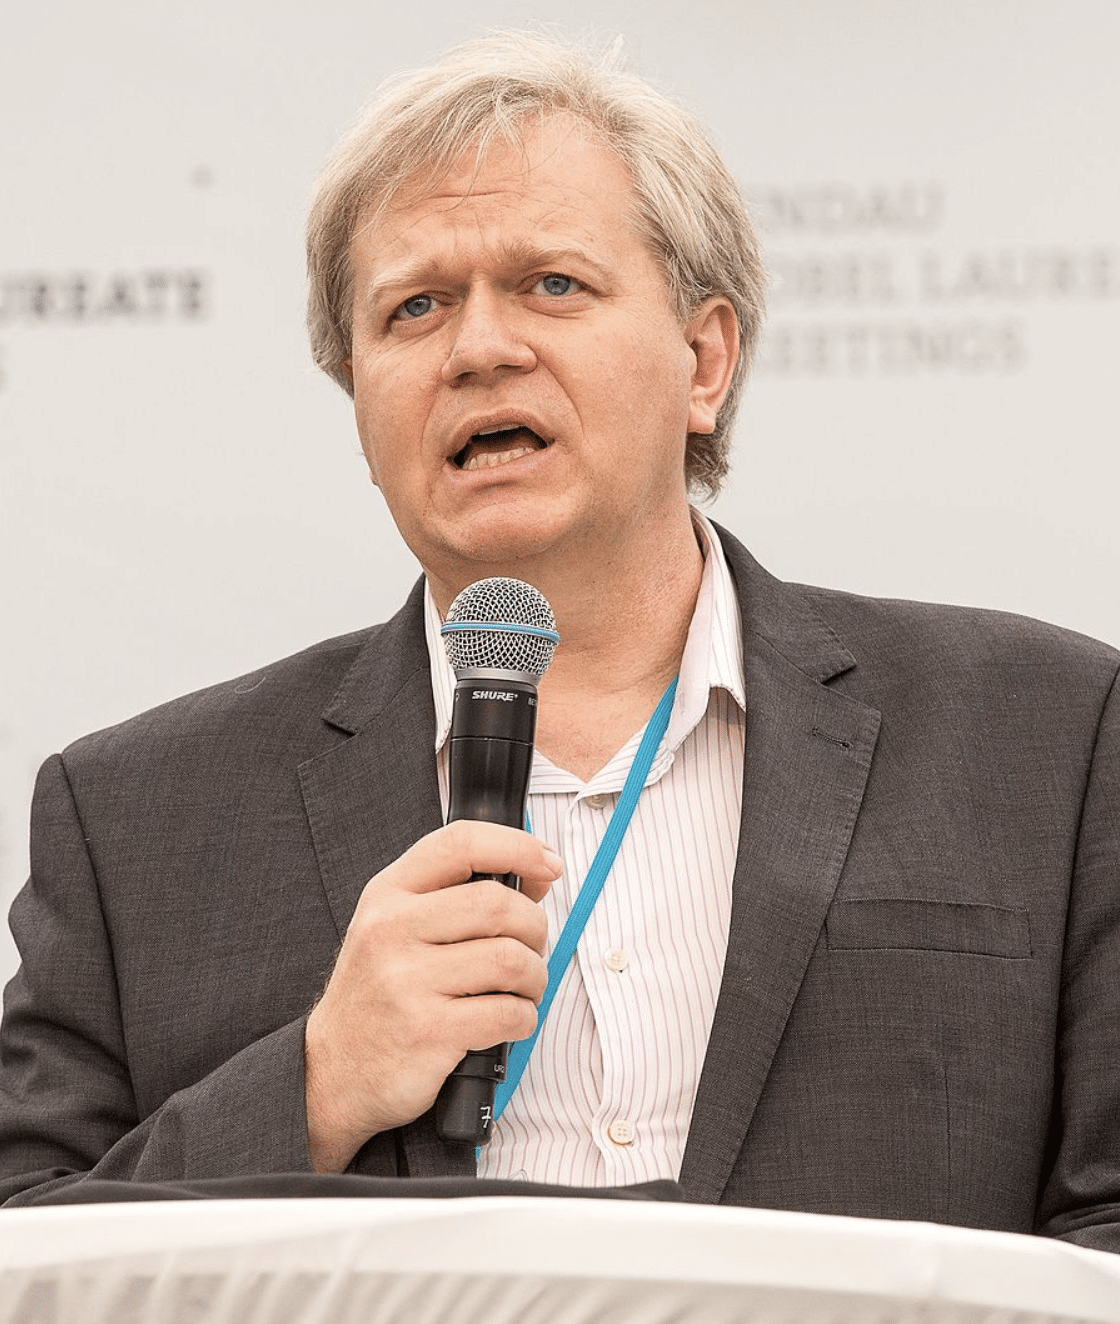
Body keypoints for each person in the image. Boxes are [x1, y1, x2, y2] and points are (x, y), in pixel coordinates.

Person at [2, 32, 1119, 1252]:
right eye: (414, 307)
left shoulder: (1048, 740)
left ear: (703, 361)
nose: (479, 347)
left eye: (552, 285)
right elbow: (29, 1248)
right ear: (359, 401)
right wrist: (316, 1082)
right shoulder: (134, 820)